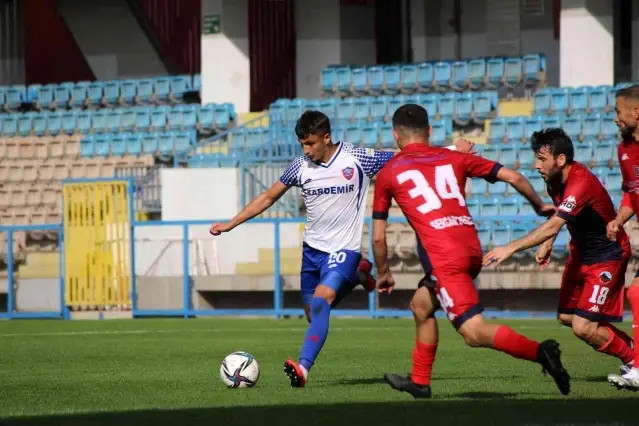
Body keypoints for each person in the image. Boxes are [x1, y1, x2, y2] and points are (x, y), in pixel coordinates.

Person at [209, 110, 474, 388]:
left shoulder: (356, 159)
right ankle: (360, 275)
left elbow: (406, 156)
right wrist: (231, 223)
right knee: (313, 315)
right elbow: (267, 197)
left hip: (343, 249)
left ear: (327, 137)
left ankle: (303, 369)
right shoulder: (300, 166)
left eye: (310, 143)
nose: (306, 150)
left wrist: (453, 149)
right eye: (302, 145)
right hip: (312, 251)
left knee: (322, 303)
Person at [372, 104, 570, 399]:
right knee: (421, 306)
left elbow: (377, 238)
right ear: (428, 131)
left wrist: (385, 272)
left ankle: (542, 352)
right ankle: (420, 381)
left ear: (395, 135)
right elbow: (514, 177)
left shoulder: (389, 172)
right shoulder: (455, 157)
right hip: (470, 248)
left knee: (473, 333)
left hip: (444, 258)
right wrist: (539, 205)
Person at [483, 128, 634, 376]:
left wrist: (510, 247)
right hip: (581, 254)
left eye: (542, 159)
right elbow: (561, 215)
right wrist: (548, 242)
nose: (536, 165)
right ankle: (633, 348)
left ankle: (634, 360)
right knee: (566, 316)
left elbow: (555, 222)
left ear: (561, 159)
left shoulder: (580, 182)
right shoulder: (554, 180)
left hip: (607, 256)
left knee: (583, 327)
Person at [605, 84, 639, 390]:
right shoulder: (624, 149)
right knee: (636, 293)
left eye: (618, 111)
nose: (615, 118)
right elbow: (631, 192)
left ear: (636, 112)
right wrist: (618, 219)